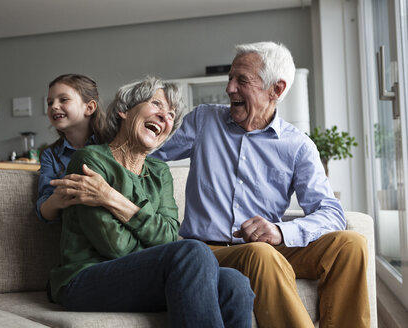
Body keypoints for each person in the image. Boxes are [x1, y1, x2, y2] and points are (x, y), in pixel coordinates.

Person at [152, 42, 370, 328]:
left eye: (241, 80)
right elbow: (146, 152)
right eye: (230, 78)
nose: (229, 88)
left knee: (351, 244)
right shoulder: (204, 121)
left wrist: (281, 231)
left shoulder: (298, 145)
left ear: (276, 90)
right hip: (210, 252)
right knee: (260, 253)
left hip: (269, 249)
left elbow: (330, 212)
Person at [48, 77, 255, 327]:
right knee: (192, 251)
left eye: (170, 115)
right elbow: (116, 247)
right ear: (124, 110)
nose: (164, 117)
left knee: (235, 283)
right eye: (156, 104)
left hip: (141, 276)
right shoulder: (90, 161)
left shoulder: (159, 171)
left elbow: (168, 235)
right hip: (84, 279)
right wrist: (156, 246)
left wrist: (112, 198)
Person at [36, 74, 108, 222]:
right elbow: (44, 212)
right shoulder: (50, 155)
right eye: (50, 102)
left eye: (63, 99)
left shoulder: (111, 144)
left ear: (89, 107)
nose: (54, 106)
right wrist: (55, 201)